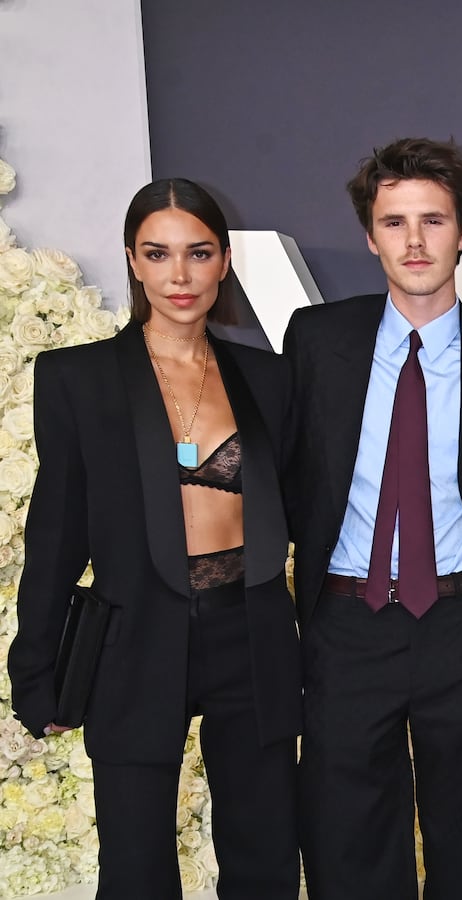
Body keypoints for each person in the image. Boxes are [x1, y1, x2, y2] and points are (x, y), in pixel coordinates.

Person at [283, 138, 462, 900]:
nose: (414, 241)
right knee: (345, 850)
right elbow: (286, 476)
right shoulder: (317, 341)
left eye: (433, 220)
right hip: (346, 627)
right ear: (371, 236)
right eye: (394, 222)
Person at [7, 179, 300, 898]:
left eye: (198, 253)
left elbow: (308, 515)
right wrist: (34, 667)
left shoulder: (268, 379)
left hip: (250, 629)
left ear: (224, 261)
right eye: (158, 254)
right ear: (134, 263)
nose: (179, 275)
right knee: (135, 868)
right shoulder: (79, 378)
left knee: (264, 855)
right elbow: (57, 531)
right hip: (135, 633)